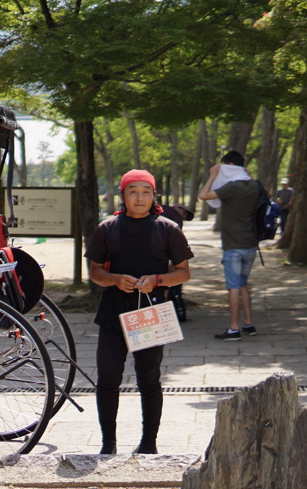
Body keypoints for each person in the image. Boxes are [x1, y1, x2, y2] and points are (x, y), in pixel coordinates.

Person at [85, 169, 193, 455]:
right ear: (123, 195)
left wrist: (157, 280)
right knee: (108, 378)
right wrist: (114, 279)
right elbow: (94, 272)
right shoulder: (107, 228)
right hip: (113, 313)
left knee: (149, 379)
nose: (140, 197)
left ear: (154, 195)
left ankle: (149, 443)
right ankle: (108, 443)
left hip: (150, 313)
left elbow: (183, 273)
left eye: (146, 191)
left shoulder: (167, 229)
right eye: (133, 191)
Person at [199, 150, 261, 340]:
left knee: (233, 286)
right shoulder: (255, 185)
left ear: (230, 166)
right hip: (251, 244)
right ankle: (249, 324)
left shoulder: (231, 188)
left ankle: (234, 328)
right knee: (243, 284)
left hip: (233, 245)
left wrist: (213, 175)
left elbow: (204, 195)